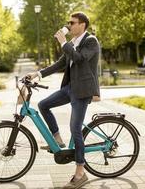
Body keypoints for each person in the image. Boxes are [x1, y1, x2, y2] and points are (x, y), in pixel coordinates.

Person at [26, 12, 100, 189]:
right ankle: (58, 141)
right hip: (70, 88)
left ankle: (80, 173)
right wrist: (37, 74)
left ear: (82, 25)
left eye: (72, 23)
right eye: (69, 22)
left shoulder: (91, 41)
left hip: (82, 91)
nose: (69, 25)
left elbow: (80, 59)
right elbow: (60, 64)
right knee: (44, 105)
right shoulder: (73, 43)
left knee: (75, 129)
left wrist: (63, 42)